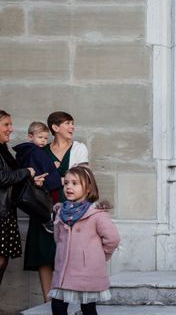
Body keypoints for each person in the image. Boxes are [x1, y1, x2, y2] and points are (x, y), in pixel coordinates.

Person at [23, 112, 89, 302]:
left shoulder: (78, 148)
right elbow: (32, 176)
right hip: (43, 207)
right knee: (44, 254)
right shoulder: (41, 150)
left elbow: (82, 178)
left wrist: (54, 178)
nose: (72, 127)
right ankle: (47, 302)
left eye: (72, 124)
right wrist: (36, 179)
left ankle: (68, 300)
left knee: (69, 254)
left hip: (71, 209)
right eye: (68, 123)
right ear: (55, 127)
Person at [49, 165, 120, 315]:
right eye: (66, 183)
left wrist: (99, 255)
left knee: (88, 308)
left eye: (75, 183)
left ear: (88, 188)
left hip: (87, 271)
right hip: (64, 271)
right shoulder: (61, 212)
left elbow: (112, 239)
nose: (69, 187)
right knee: (58, 306)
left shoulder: (96, 214)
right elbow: (58, 238)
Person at [0, 110, 46, 287]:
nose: (11, 129)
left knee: (4, 260)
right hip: (1, 212)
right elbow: (2, 177)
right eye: (6, 124)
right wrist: (26, 171)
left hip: (5, 211)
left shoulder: (3, 149)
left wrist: (31, 179)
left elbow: (11, 178)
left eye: (10, 124)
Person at [14, 122, 62, 234]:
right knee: (45, 207)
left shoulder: (25, 151)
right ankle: (47, 220)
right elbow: (41, 170)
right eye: (40, 137)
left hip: (27, 187)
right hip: (38, 186)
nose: (43, 141)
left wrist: (51, 165)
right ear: (30, 136)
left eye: (45, 138)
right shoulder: (35, 152)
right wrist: (53, 169)